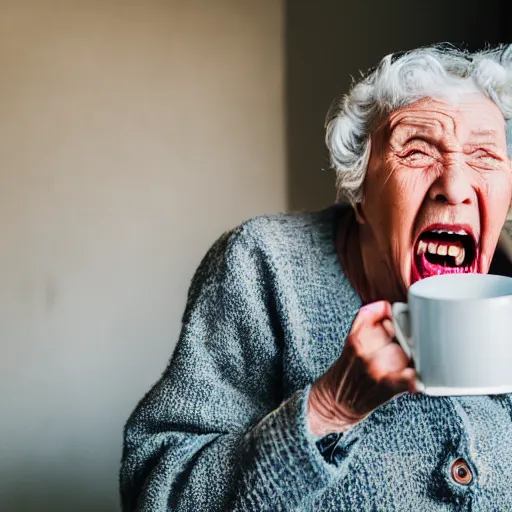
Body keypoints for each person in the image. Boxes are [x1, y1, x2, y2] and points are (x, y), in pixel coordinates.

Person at [120, 44, 512, 510]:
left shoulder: (501, 280)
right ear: (361, 190)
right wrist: (329, 409)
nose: (454, 184)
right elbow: (159, 493)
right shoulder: (264, 264)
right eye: (418, 150)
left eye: (485, 156)